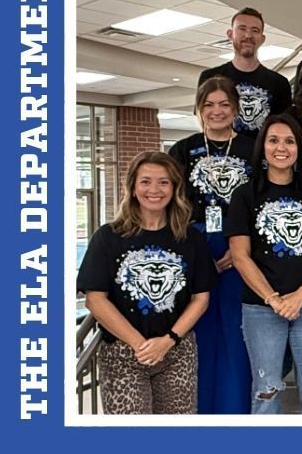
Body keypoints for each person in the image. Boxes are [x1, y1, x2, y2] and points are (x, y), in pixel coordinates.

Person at [77, 151, 216, 414]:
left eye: (163, 182)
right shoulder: (107, 237)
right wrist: (140, 345)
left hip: (177, 350)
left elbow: (201, 298)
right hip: (122, 352)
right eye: (145, 181)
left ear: (174, 188)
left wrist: (167, 341)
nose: (154, 189)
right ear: (132, 187)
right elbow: (95, 299)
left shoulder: (191, 239)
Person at [225, 114, 302, 414]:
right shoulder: (244, 195)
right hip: (261, 308)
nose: (281, 148)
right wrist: (273, 299)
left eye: (289, 141)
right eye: (273, 140)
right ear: (262, 147)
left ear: (299, 147)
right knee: (266, 392)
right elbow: (240, 256)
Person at [168, 76, 254, 414]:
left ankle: (236, 412)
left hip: (241, 248)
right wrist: (195, 254)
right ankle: (199, 413)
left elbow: (262, 202)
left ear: (235, 108)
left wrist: (241, 250)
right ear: (198, 109)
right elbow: (171, 205)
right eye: (209, 105)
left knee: (237, 334)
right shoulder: (182, 150)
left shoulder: (253, 148)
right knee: (198, 333)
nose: (216, 111)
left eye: (224, 104)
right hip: (195, 248)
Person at [199, 7, 292, 138]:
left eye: (255, 30)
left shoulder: (279, 83)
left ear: (262, 39)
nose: (248, 35)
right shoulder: (210, 78)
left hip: (262, 151)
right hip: (223, 150)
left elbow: (282, 130)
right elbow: (204, 121)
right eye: (242, 29)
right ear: (230, 34)